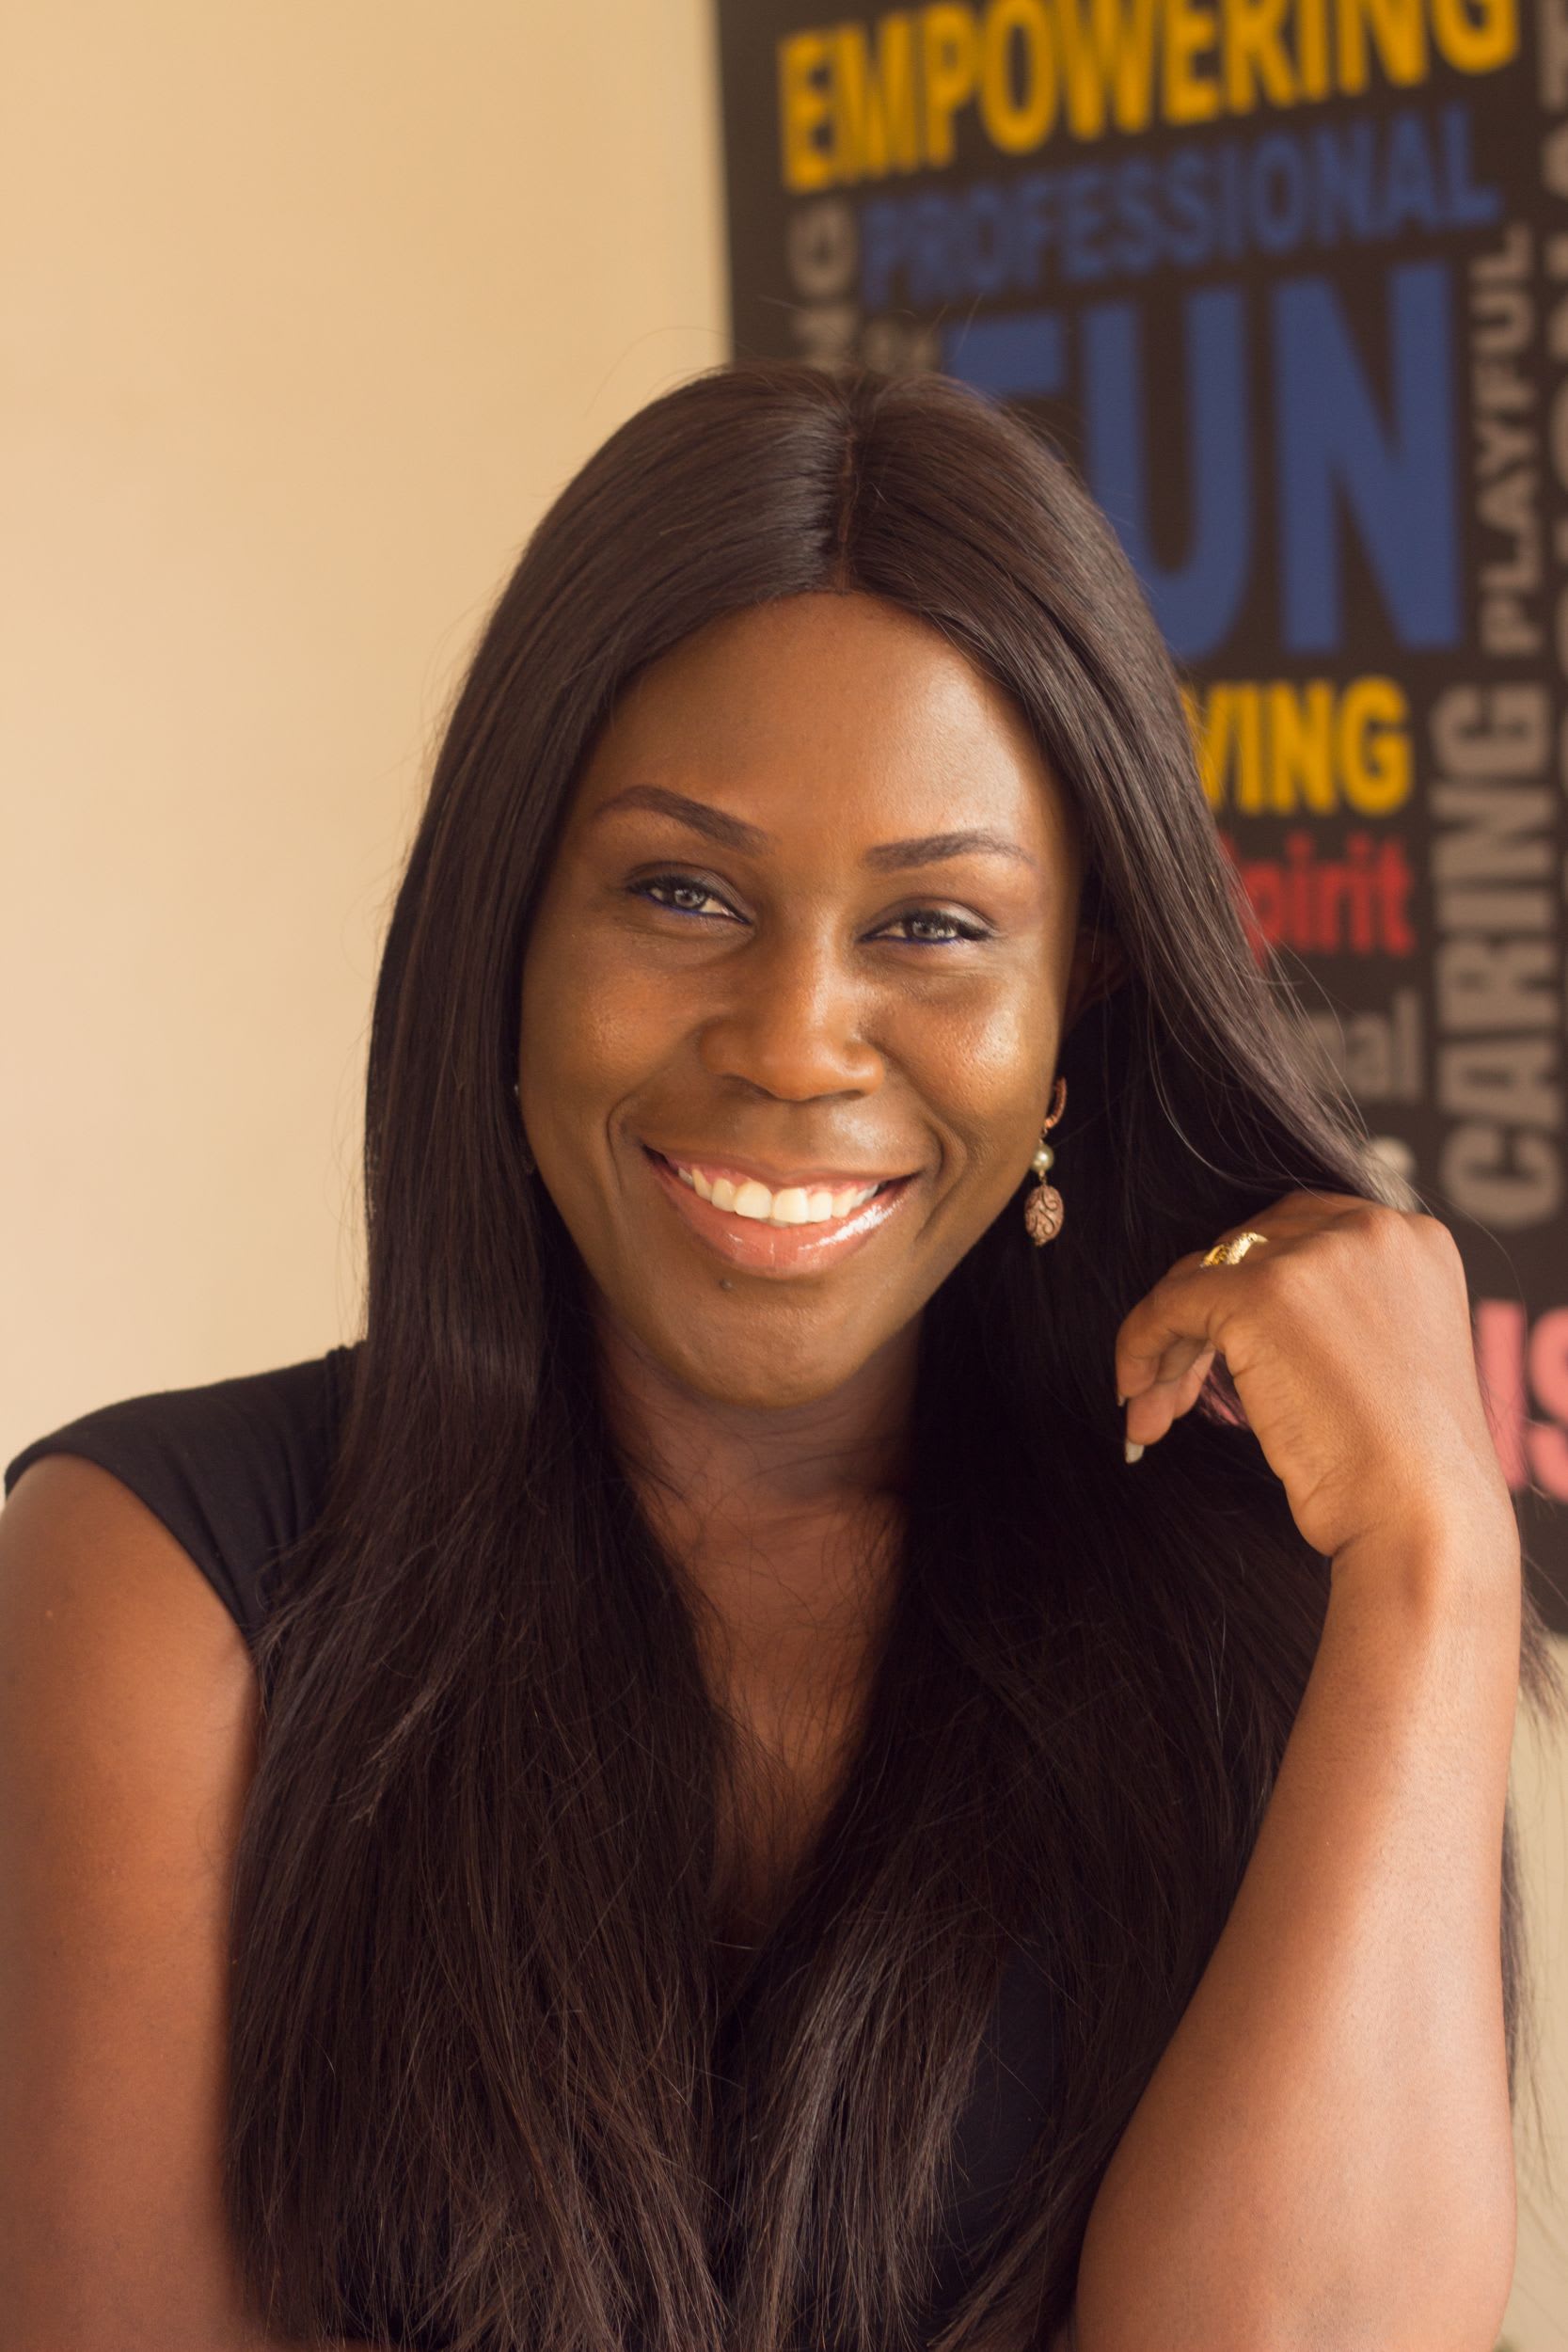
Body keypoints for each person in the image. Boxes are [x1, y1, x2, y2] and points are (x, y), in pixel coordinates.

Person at [1, 359, 1560, 2352]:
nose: (795, 1040)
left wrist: (1439, 1565)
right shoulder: (163, 1579)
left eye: (934, 925)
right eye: (682, 891)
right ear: (510, 930)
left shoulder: (1260, 1603)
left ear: (1073, 1004)